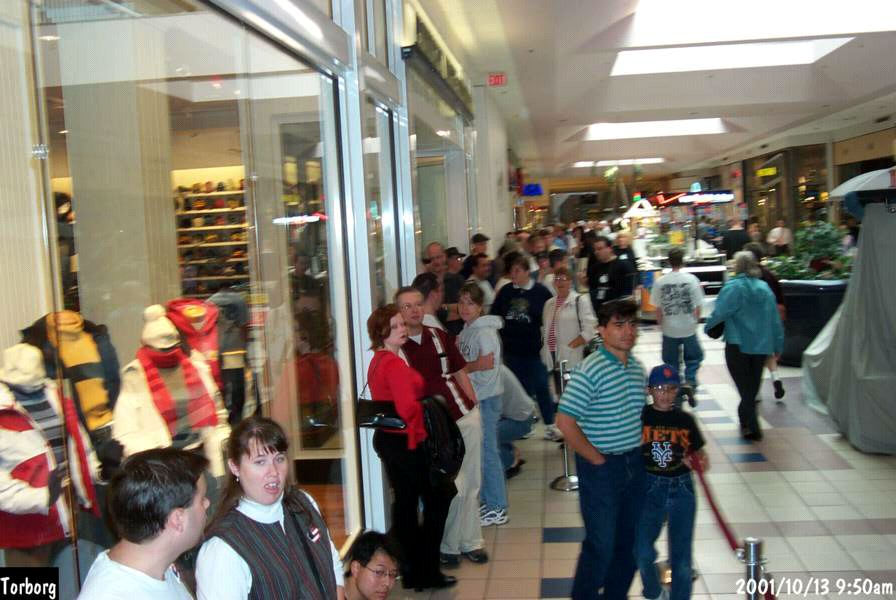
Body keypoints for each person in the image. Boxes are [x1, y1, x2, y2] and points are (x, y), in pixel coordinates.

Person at [556, 298, 647, 600]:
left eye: (632, 324)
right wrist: (596, 459)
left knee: (631, 542)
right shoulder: (590, 369)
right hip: (603, 469)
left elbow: (639, 417)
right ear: (601, 330)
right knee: (601, 544)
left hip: (635, 464)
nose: (628, 331)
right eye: (619, 325)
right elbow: (565, 421)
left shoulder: (636, 368)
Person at [196, 417, 344, 600]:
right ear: (234, 467)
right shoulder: (222, 549)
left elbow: (333, 567)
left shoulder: (304, 504)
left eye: (279, 459)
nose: (274, 472)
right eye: (260, 462)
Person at [361, 304, 455, 591]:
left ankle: (413, 570)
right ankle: (424, 570)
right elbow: (407, 410)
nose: (402, 329)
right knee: (438, 497)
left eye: (402, 324)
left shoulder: (380, 359)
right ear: (381, 332)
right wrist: (422, 435)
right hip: (407, 442)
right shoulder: (392, 363)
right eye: (395, 326)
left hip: (392, 441)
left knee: (406, 505)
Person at [394, 287, 487, 568]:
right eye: (407, 306)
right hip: (432, 429)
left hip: (463, 416)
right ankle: (448, 545)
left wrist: (474, 404)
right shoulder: (396, 349)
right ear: (398, 312)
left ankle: (471, 541)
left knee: (472, 482)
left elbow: (459, 371)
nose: (414, 310)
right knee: (451, 487)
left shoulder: (439, 336)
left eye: (417, 304)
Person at [79, 448, 209, 600]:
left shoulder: (157, 566)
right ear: (178, 519)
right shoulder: (112, 595)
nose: (207, 504)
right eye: (202, 500)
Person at [635, 365, 708, 600]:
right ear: (649, 390)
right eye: (659, 388)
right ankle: (653, 592)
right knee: (641, 550)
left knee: (681, 556)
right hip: (650, 488)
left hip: (681, 487)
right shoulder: (640, 417)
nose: (665, 394)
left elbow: (701, 456)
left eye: (671, 388)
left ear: (678, 391)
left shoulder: (685, 420)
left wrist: (696, 461)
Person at [704, 252, 784, 440]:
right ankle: (745, 418)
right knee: (752, 387)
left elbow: (720, 312)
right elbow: (775, 320)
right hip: (761, 346)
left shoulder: (732, 288)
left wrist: (708, 327)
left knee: (745, 388)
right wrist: (778, 345)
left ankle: (753, 426)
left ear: (737, 266)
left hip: (737, 344)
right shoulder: (765, 289)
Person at [491, 255, 559, 441]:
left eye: (518, 271)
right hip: (512, 351)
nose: (513, 275)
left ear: (527, 272)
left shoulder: (540, 292)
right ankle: (525, 423)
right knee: (520, 389)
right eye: (511, 271)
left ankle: (550, 424)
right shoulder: (506, 291)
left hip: (534, 351)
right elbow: (495, 315)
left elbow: (550, 316)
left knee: (541, 385)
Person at [456, 282, 507, 527]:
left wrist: (462, 369)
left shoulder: (484, 332)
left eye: (471, 303)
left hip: (486, 398)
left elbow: (486, 365)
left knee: (488, 453)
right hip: (477, 397)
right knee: (482, 452)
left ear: (480, 307)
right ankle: (489, 501)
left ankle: (498, 507)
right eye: (462, 302)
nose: (465, 307)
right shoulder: (467, 329)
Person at [650, 247, 705, 404]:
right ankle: (690, 381)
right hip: (688, 327)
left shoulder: (660, 282)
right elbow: (698, 305)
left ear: (668, 261)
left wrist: (660, 323)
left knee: (671, 362)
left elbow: (658, 308)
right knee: (694, 357)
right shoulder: (692, 280)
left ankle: (677, 391)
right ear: (683, 260)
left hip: (669, 328)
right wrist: (695, 321)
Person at [541, 267, 597, 390]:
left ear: (570, 282)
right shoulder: (549, 304)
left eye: (563, 278)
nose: (559, 282)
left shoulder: (580, 300)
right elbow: (545, 330)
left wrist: (570, 347)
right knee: (560, 390)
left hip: (573, 356)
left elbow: (590, 329)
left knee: (574, 391)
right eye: (556, 279)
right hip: (552, 356)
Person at [744, 242, 787, 402]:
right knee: (768, 352)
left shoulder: (748, 278)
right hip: (771, 319)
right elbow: (780, 301)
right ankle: (776, 378)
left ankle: (756, 391)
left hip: (753, 321)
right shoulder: (770, 276)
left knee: (754, 358)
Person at [497, 366, 537, 478]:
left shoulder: (491, 373)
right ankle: (510, 452)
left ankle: (509, 461)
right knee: (486, 432)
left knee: (484, 437)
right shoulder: (495, 368)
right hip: (522, 416)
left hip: (521, 420)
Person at [344, 531, 401, 600]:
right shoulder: (333, 593)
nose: (387, 583)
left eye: (393, 574)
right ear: (356, 568)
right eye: (379, 572)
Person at [422, 242, 464, 335]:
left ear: (445, 256)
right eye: (432, 259)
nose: (436, 262)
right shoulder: (424, 282)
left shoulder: (457, 280)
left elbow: (467, 308)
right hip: (434, 334)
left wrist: (443, 307)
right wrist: (451, 309)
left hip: (457, 333)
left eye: (438, 257)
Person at [587, 236, 635, 315]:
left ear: (609, 248)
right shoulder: (594, 268)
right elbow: (592, 289)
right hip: (599, 312)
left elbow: (628, 294)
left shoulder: (624, 265)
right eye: (595, 250)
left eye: (600, 249)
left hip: (618, 312)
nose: (596, 252)